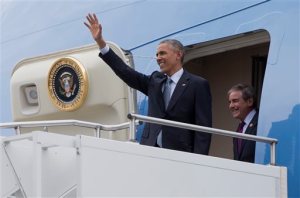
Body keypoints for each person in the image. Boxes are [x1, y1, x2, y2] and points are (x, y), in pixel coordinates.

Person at [84, 13, 212, 155]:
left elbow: (204, 129)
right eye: (157, 54)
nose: (158, 58)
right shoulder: (155, 82)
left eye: (162, 53)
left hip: (181, 154)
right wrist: (101, 43)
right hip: (151, 151)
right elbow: (125, 72)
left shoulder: (197, 84)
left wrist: (200, 161)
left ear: (178, 55)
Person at [228, 84, 258, 163]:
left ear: (250, 101)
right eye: (230, 102)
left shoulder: (261, 123)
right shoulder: (240, 129)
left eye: (235, 101)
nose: (231, 106)